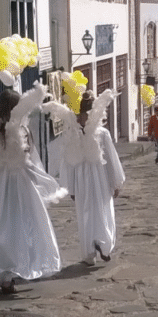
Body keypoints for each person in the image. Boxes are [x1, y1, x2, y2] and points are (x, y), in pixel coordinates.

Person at [0, 83, 67, 293]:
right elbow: (28, 160)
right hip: (20, 187)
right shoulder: (21, 130)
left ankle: (5, 273)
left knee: (2, 228)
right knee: (24, 227)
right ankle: (17, 269)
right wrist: (45, 181)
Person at [47, 90, 126, 265]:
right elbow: (111, 159)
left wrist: (70, 187)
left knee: (85, 215)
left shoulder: (73, 132)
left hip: (82, 180)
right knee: (104, 211)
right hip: (100, 179)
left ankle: (89, 253)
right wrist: (116, 182)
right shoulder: (102, 133)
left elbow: (69, 162)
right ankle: (104, 245)